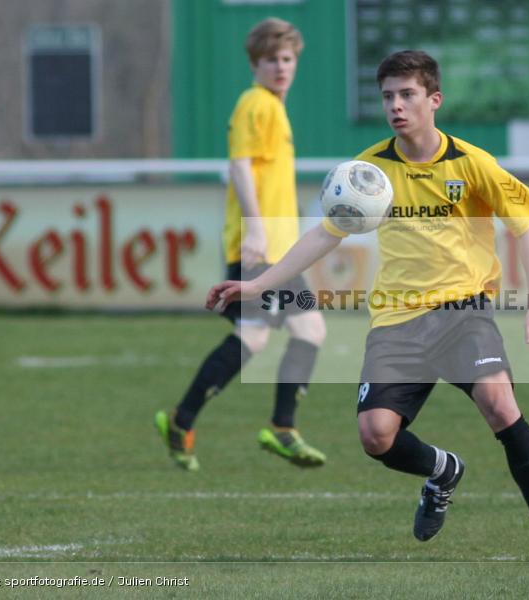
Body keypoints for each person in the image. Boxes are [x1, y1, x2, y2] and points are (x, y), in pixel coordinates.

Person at [206, 50, 529, 566]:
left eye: (407, 95)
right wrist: (258, 285)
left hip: (464, 312)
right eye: (387, 96)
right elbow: (323, 235)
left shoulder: (471, 164)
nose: (396, 106)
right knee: (376, 435)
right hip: (398, 321)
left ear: (434, 100)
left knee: (499, 404)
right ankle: (443, 471)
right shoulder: (368, 172)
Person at [155, 18, 327, 471]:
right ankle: (183, 419)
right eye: (271, 59)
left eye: (287, 59)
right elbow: (240, 165)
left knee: (310, 331)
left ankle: (282, 428)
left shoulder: (273, 106)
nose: (281, 66)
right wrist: (255, 227)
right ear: (255, 64)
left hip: (282, 251)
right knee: (252, 335)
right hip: (261, 248)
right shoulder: (256, 103)